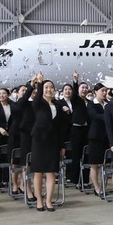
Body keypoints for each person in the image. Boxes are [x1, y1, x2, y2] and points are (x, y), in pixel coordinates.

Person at [31, 73, 67, 211]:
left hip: (53, 141)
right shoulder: (38, 103)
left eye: (51, 87)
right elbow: (37, 97)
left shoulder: (57, 105)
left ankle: (49, 200)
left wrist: (62, 144)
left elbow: (60, 128)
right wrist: (39, 84)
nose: (49, 90)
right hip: (39, 141)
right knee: (39, 172)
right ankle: (39, 200)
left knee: (51, 172)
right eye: (46, 87)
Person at [86, 83, 109, 197]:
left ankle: (103, 186)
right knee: (94, 165)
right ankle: (96, 187)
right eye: (102, 91)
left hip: (107, 137)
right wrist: (108, 117)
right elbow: (94, 116)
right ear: (95, 92)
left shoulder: (108, 104)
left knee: (105, 164)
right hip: (95, 137)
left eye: (105, 91)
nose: (104, 93)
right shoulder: (91, 104)